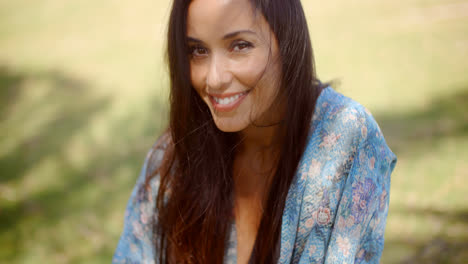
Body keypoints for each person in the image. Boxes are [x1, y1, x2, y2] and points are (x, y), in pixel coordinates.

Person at [112, 0, 397, 263]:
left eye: (239, 45)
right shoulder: (177, 155)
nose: (214, 78)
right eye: (198, 50)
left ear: (287, 39)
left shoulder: (343, 136)